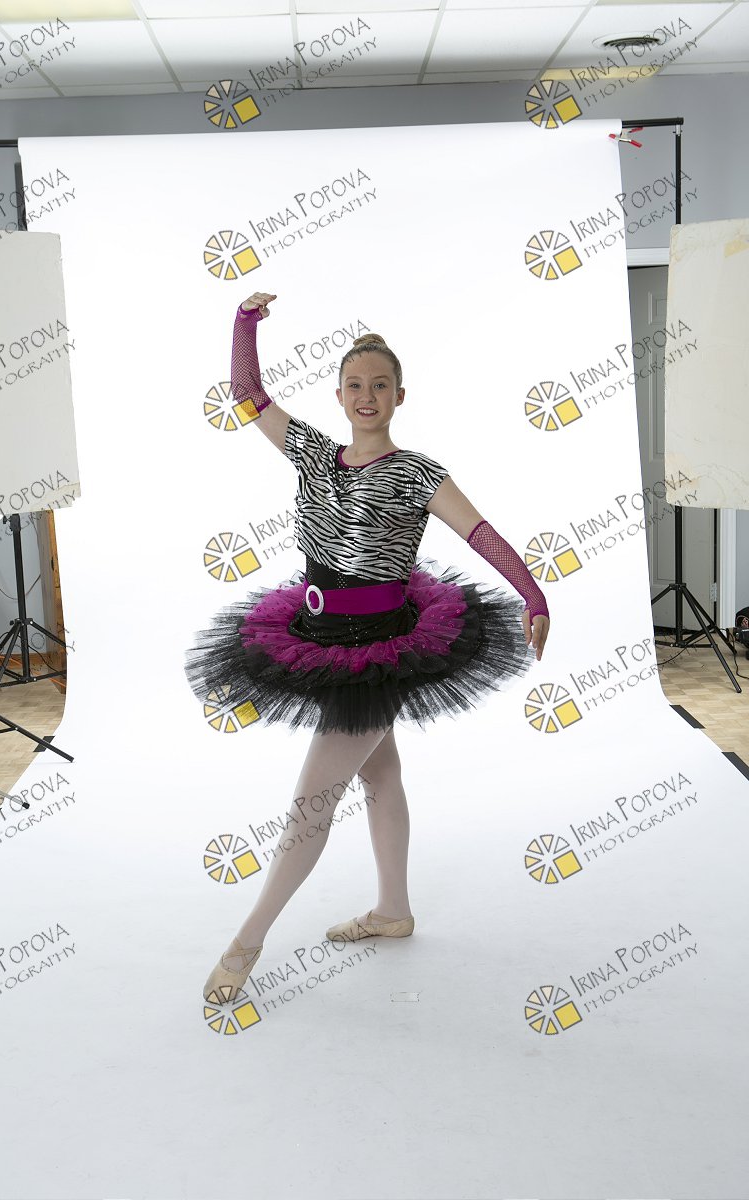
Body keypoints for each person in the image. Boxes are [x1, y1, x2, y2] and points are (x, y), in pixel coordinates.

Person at [185, 291, 551, 1005]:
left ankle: (246, 943)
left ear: (399, 396)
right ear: (339, 394)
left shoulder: (418, 473)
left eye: (380, 385)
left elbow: (479, 533)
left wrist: (532, 594)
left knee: (311, 803)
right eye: (355, 384)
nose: (366, 395)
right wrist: (244, 324)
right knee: (380, 775)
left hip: (378, 650)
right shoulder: (312, 453)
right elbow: (247, 394)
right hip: (315, 636)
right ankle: (393, 910)